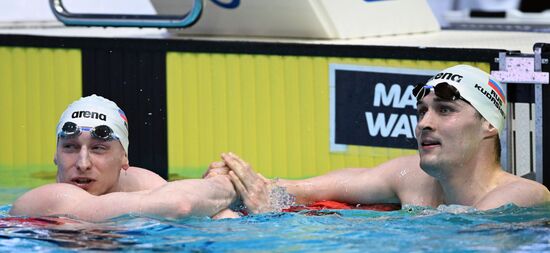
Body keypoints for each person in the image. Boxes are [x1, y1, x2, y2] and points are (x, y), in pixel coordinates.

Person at [212, 65, 550, 214]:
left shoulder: (522, 196)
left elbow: (459, 239)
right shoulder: (412, 177)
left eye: (445, 110)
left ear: (489, 125)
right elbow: (311, 188)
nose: (424, 124)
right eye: (422, 112)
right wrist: (244, 184)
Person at [10, 95, 237, 221]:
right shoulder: (50, 200)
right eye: (70, 147)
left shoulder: (141, 183)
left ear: (124, 157)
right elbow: (181, 204)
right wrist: (225, 183)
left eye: (98, 149)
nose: (82, 163)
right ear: (55, 155)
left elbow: (211, 217)